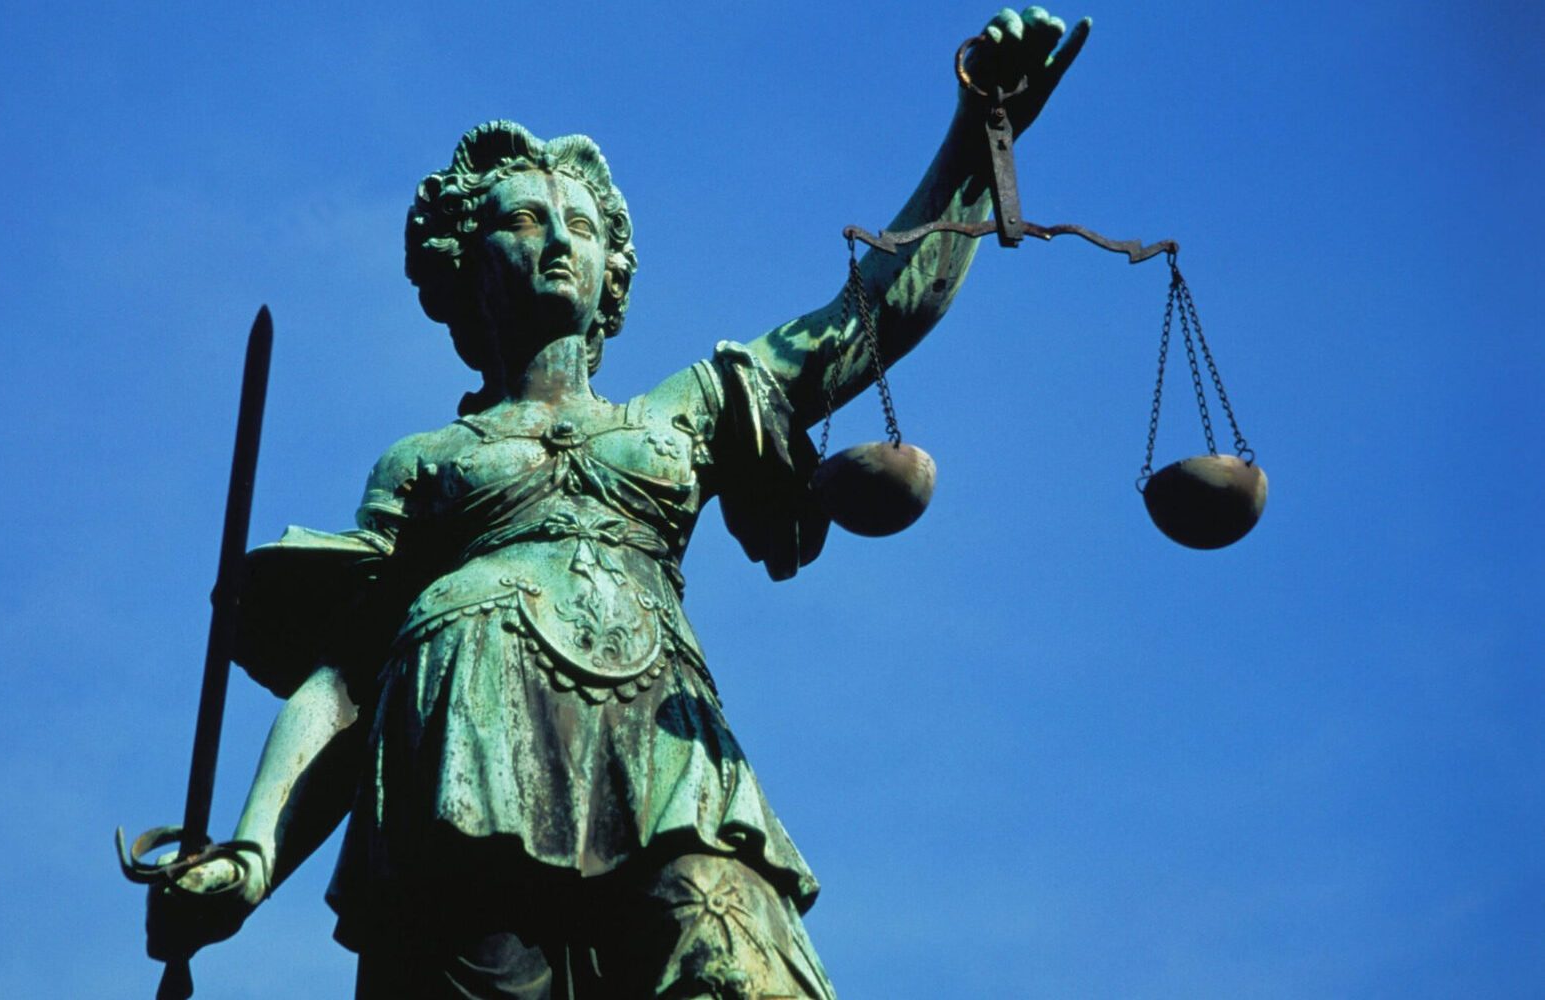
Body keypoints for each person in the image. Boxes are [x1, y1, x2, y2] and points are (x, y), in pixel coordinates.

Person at [146, 9, 1087, 996]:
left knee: (738, 961)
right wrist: (251, 856)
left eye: (583, 226)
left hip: (666, 767)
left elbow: (871, 317)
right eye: (523, 220)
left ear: (612, 276)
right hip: (460, 764)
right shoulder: (424, 462)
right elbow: (345, 682)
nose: (559, 240)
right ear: (465, 260)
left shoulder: (686, 411)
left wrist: (974, 140)